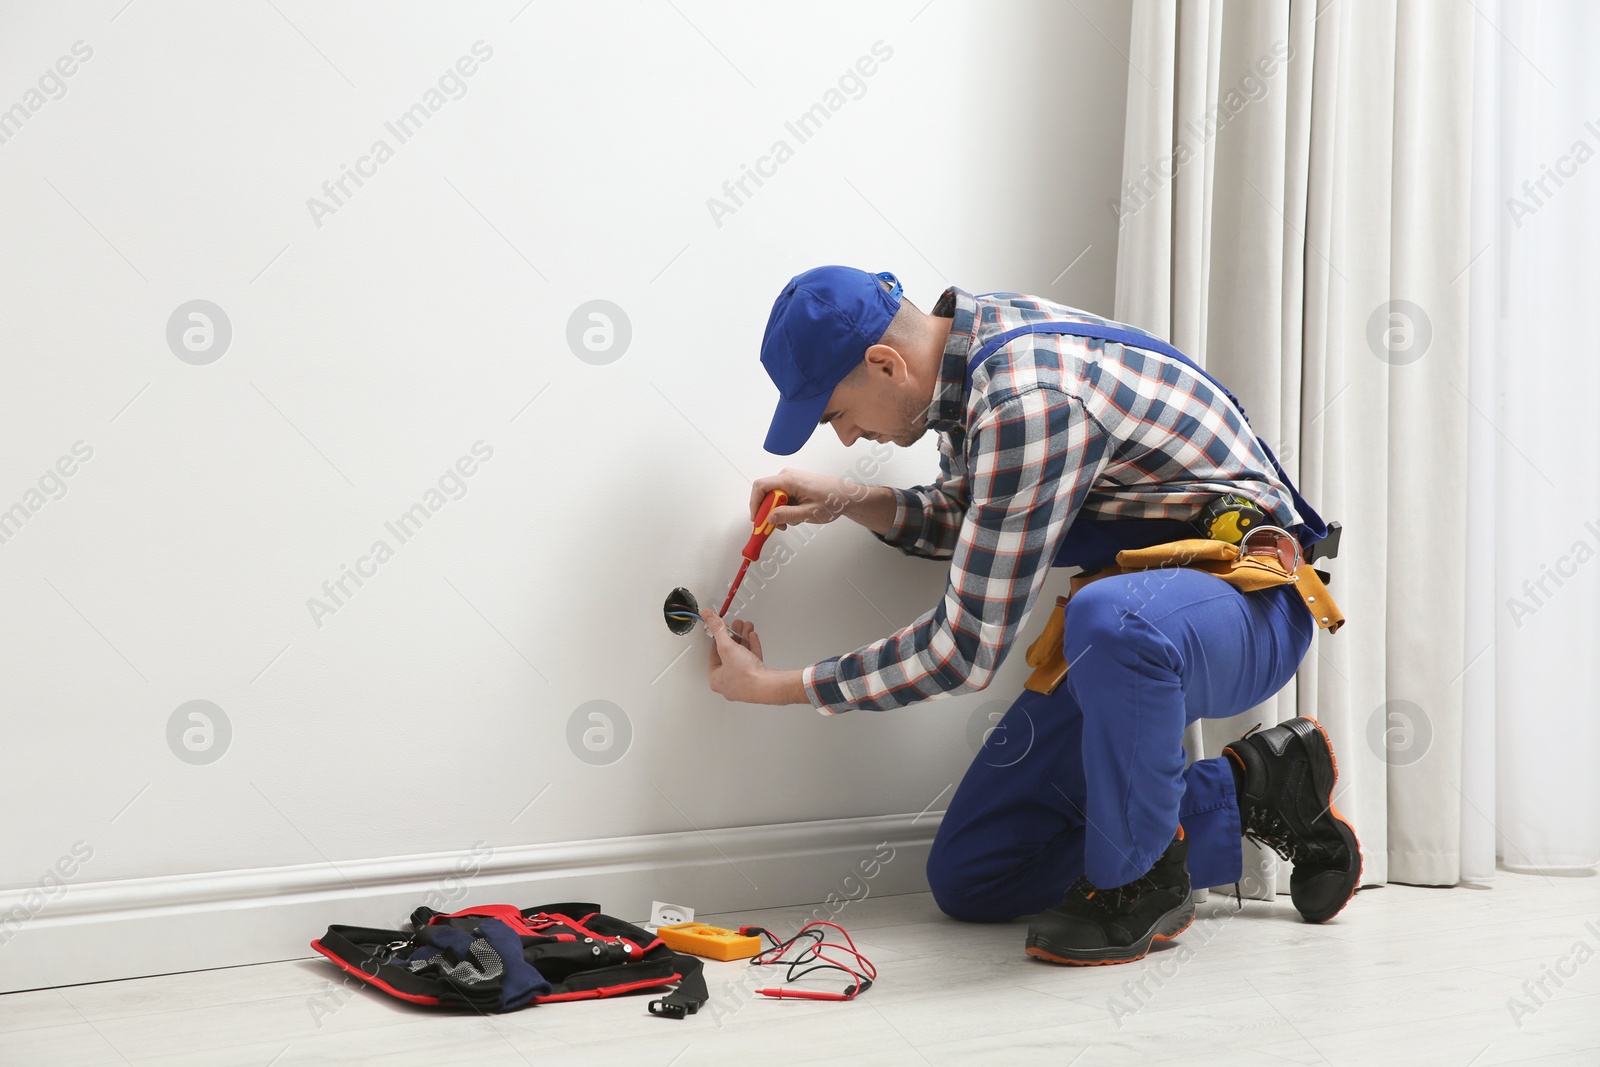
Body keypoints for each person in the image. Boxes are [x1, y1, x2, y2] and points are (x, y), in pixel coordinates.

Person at [701, 265, 1361, 965]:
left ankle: (1137, 882)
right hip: (1128, 635)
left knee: (1110, 619)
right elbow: (986, 516)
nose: (843, 437)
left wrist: (773, 685)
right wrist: (849, 499)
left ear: (885, 364)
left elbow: (963, 652)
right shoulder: (970, 357)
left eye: (835, 414)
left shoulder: (1027, 398)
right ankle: (1253, 787)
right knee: (976, 872)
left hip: (1249, 607)